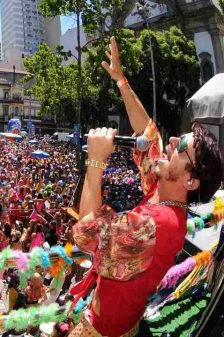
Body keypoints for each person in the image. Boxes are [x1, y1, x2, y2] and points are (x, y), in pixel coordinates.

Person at [69, 37, 223, 337]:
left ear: (191, 181)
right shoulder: (166, 194)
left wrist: (96, 162)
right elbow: (148, 133)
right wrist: (121, 81)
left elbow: (86, 232)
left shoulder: (161, 223)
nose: (174, 141)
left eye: (183, 146)